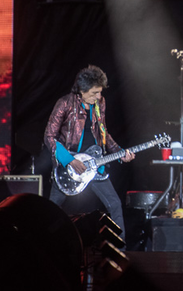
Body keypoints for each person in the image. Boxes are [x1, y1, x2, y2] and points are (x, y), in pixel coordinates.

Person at [44, 65, 135, 236]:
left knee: (114, 203)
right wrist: (69, 160)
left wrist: (120, 153)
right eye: (94, 93)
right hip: (68, 165)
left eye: (100, 92)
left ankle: (121, 251)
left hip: (94, 164)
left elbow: (104, 133)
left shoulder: (100, 103)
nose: (99, 96)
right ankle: (44, 247)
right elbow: (49, 136)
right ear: (81, 90)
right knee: (53, 209)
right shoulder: (64, 104)